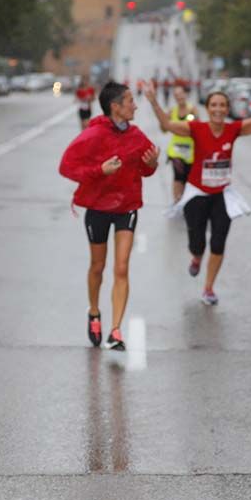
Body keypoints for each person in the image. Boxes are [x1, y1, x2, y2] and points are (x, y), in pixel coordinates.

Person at [146, 71, 251, 305]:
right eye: (214, 105)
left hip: (221, 195)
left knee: (218, 243)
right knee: (197, 243)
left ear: (227, 109)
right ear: (207, 108)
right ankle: (197, 257)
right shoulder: (196, 128)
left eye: (222, 105)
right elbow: (167, 124)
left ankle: (208, 288)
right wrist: (153, 101)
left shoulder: (233, 129)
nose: (218, 109)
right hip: (197, 194)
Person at [59, 82, 160, 350]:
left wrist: (151, 164)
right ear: (115, 107)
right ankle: (94, 312)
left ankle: (116, 331)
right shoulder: (93, 135)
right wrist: (99, 171)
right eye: (130, 101)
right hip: (98, 208)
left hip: (127, 207)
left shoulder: (137, 136)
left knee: (122, 267)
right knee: (98, 266)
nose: (135, 106)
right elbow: (66, 167)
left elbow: (146, 170)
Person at [166, 85, 200, 202]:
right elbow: (164, 129)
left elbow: (198, 127)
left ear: (185, 94)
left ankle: (186, 200)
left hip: (190, 150)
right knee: (178, 176)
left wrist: (194, 119)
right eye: (176, 95)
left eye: (181, 94)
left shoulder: (192, 109)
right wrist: (165, 120)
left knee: (188, 177)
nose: (179, 97)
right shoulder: (172, 111)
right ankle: (177, 201)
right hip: (176, 151)